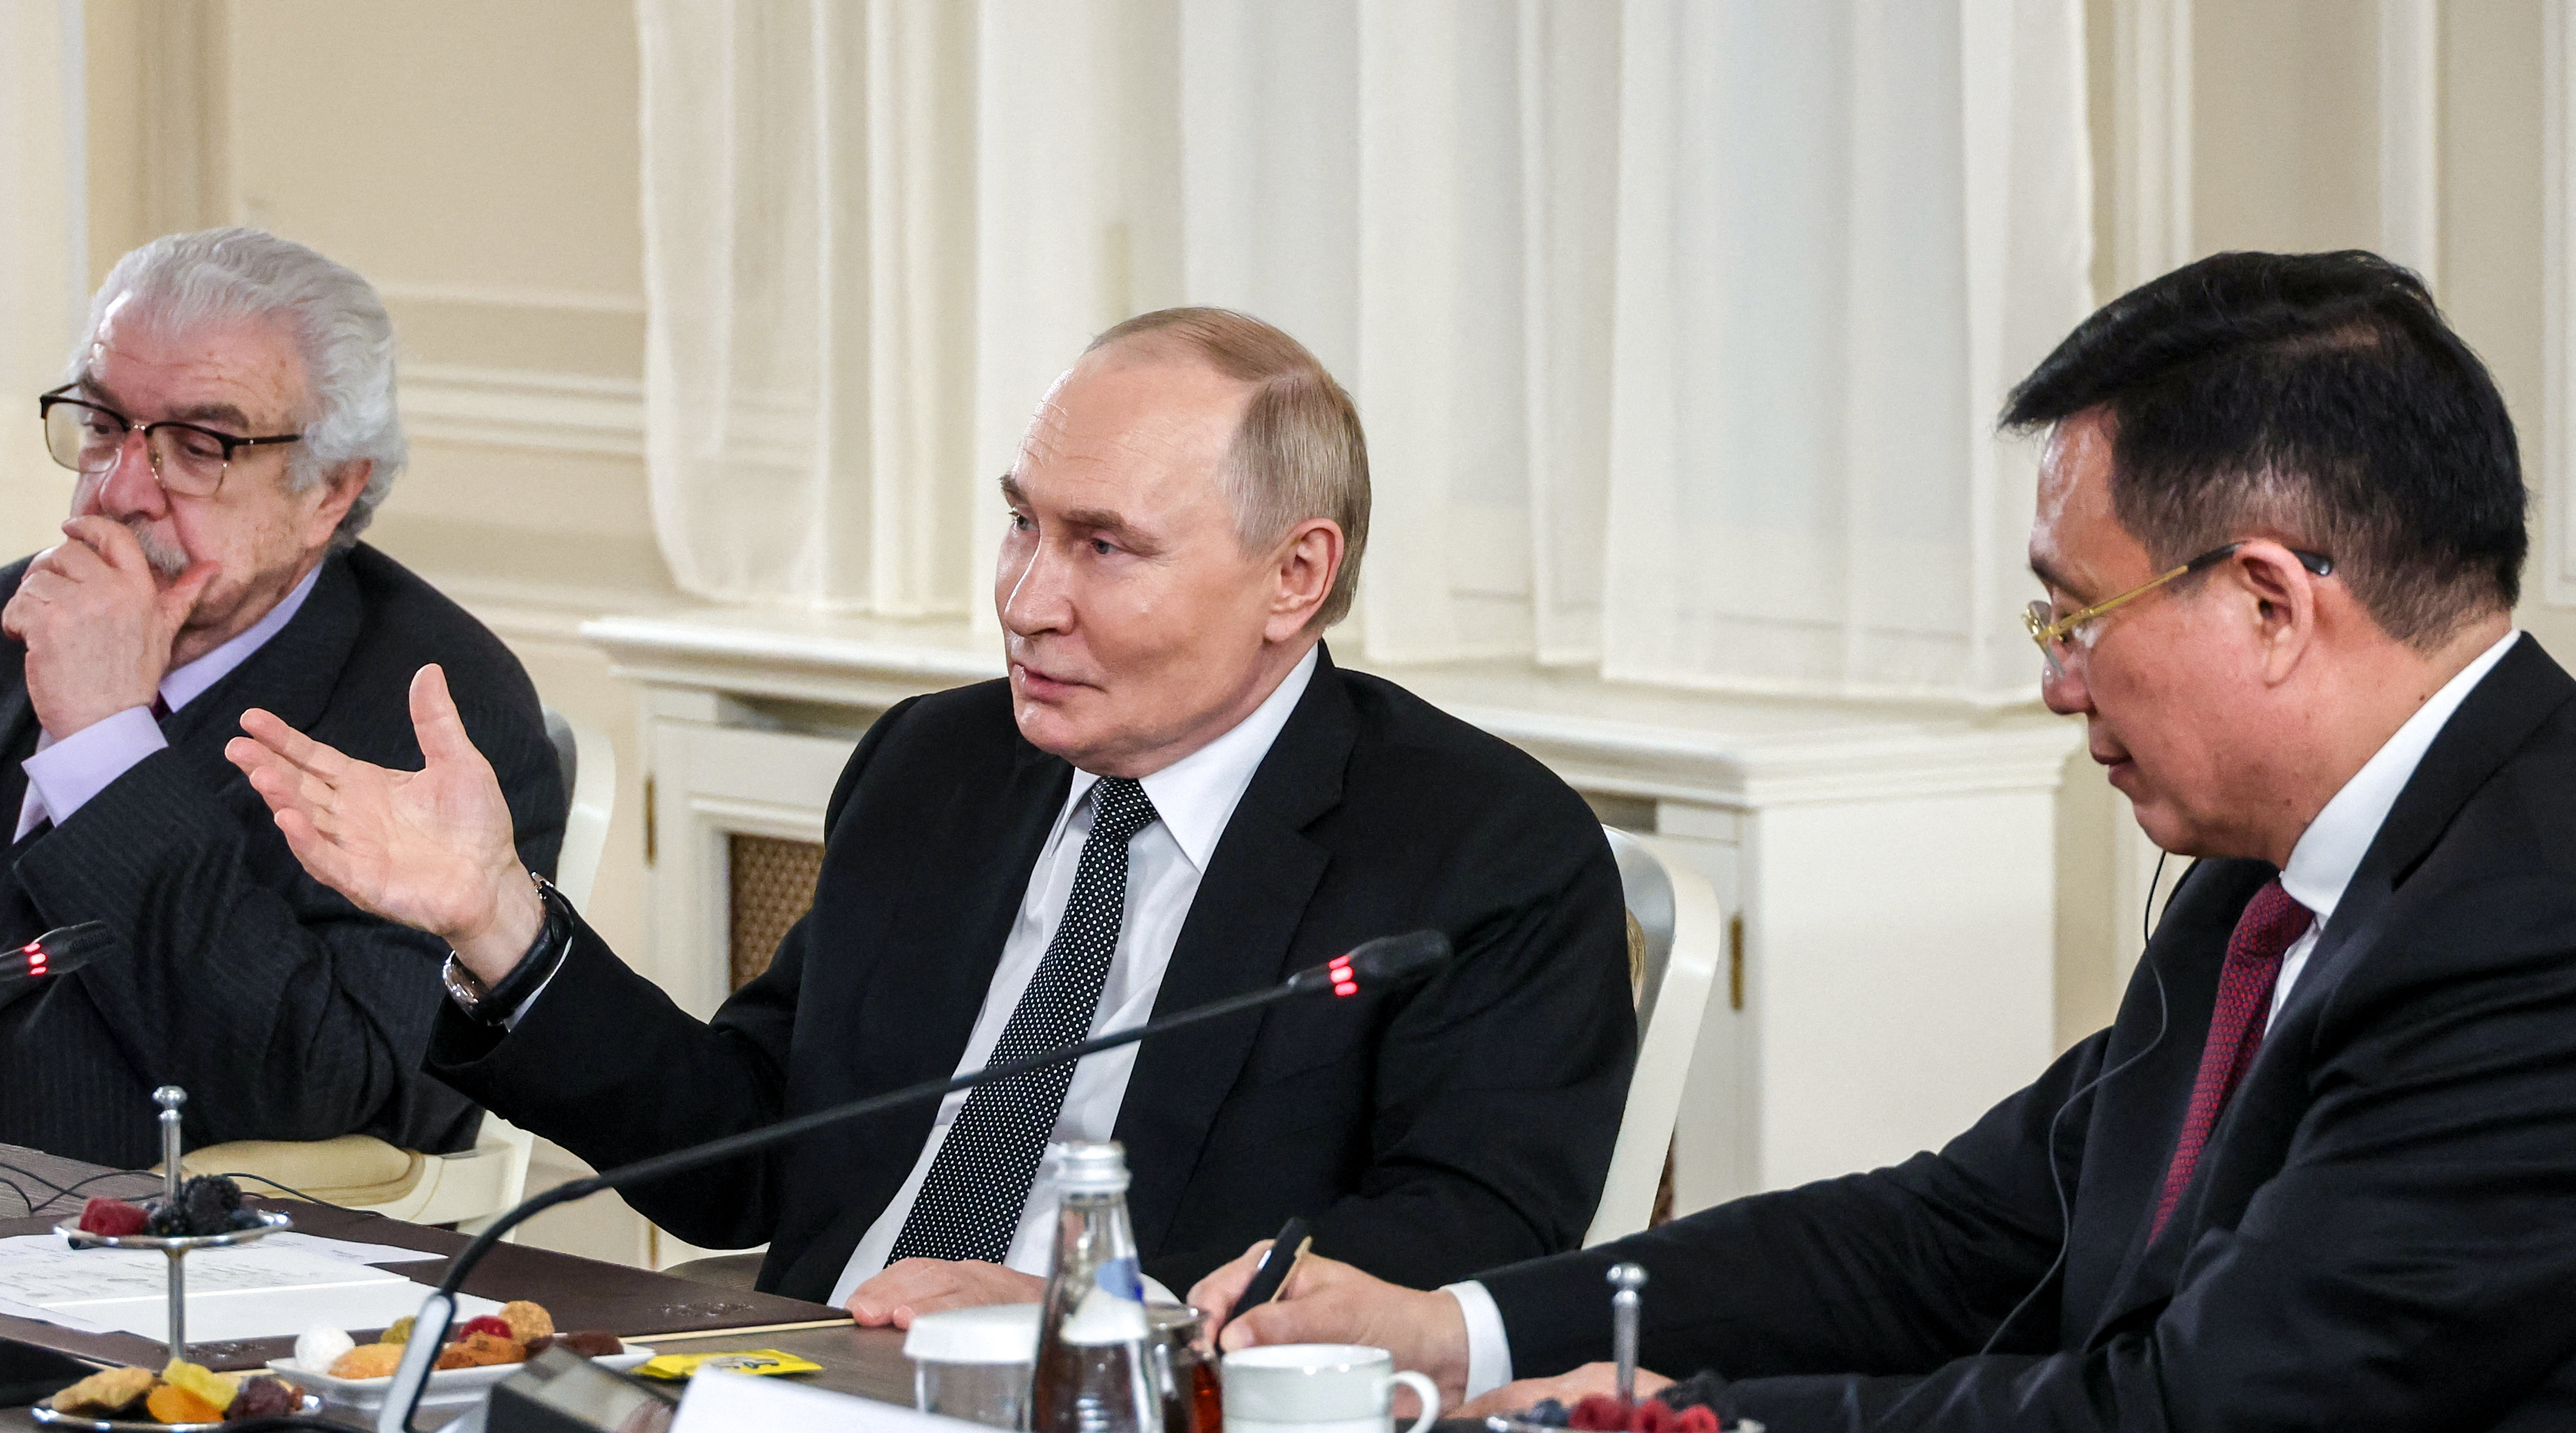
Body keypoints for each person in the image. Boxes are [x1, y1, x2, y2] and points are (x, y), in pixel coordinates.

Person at [1194, 250, 2576, 1433]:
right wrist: (1459, 1330)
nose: (2051, 682)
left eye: (2073, 615)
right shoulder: (2274, 876)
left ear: (2269, 604)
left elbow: (2199, 1431)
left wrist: (1689, 1426)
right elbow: (1949, 1233)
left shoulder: (2532, 920)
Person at [230, 308, 1632, 1311]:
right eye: (1022, 522)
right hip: (809, 1385)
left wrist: (1089, 1314)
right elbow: (751, 1159)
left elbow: (1466, 1243)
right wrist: (503, 923)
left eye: (1105, 547)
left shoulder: (1482, 855)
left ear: (1294, 575)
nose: (1026, 600)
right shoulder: (940, 764)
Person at [0, 228, 565, 1170]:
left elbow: (335, 1094)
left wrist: (106, 742)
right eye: (103, 426)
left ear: (331, 494)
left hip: (97, 1255)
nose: (119, 489)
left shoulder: (434, 711)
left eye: (198, 446)